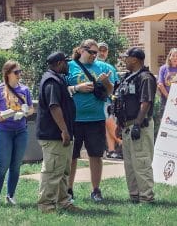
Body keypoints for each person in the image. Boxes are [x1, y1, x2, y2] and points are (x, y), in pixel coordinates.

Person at [67, 39, 113, 202]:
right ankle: (68, 190)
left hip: (96, 119)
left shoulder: (102, 67)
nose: (95, 55)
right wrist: (77, 88)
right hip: (74, 119)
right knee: (71, 157)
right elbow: (60, 89)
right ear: (81, 50)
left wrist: (106, 82)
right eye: (91, 52)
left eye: (97, 52)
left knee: (96, 155)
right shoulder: (69, 66)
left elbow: (109, 91)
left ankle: (95, 190)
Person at [0, 60, 34, 209]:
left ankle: (10, 196)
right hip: (3, 132)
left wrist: (27, 112)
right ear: (8, 74)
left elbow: (31, 109)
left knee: (16, 165)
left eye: (20, 72)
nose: (19, 74)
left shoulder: (25, 90)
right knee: (2, 165)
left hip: (21, 131)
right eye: (16, 72)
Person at [36, 51, 78, 213]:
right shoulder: (51, 81)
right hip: (54, 135)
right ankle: (46, 205)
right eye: (66, 62)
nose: (68, 65)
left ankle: (64, 202)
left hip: (60, 134)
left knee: (62, 171)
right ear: (60, 63)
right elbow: (54, 107)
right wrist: (64, 131)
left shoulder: (57, 79)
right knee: (52, 171)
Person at [114, 47, 156, 203]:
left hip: (140, 125)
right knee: (130, 164)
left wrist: (137, 124)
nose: (125, 60)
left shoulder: (145, 78)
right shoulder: (128, 77)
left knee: (141, 161)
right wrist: (119, 124)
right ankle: (134, 196)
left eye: (127, 57)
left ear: (135, 59)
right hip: (126, 125)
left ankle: (146, 197)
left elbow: (145, 102)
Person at [97, 42, 122, 159]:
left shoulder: (110, 67)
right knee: (109, 123)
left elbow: (116, 86)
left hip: (108, 100)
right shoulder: (94, 66)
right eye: (99, 50)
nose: (102, 53)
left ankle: (112, 150)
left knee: (109, 124)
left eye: (104, 51)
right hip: (100, 101)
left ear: (107, 52)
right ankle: (123, 144)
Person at [157, 48, 177, 117]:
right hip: (165, 99)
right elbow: (160, 84)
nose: (175, 58)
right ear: (169, 57)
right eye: (173, 56)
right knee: (165, 120)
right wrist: (169, 97)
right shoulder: (163, 68)